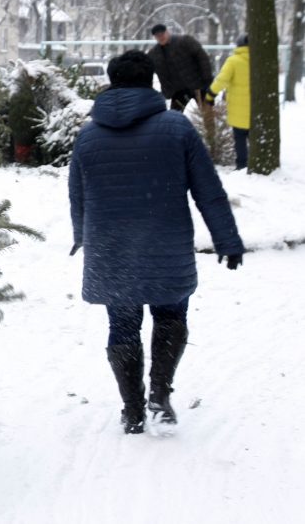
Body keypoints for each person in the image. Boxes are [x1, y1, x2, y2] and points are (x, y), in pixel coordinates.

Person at [68, 50, 244, 435]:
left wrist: (82, 237)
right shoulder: (176, 128)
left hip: (112, 249)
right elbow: (208, 191)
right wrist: (227, 240)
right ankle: (160, 393)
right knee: (170, 316)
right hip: (166, 245)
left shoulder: (88, 136)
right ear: (152, 83)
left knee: (123, 326)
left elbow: (78, 195)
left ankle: (132, 409)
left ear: (111, 83)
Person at [206, 34, 251, 170]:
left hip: (239, 110)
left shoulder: (234, 61)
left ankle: (242, 165)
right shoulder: (260, 60)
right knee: (255, 138)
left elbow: (221, 80)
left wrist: (210, 95)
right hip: (257, 110)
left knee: (240, 139)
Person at [147, 23, 213, 112]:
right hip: (178, 91)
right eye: (157, 36)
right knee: (174, 116)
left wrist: (207, 79)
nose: (160, 37)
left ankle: (210, 126)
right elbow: (147, 70)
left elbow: (203, 58)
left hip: (199, 85)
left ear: (167, 32)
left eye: (162, 34)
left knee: (207, 114)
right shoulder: (154, 54)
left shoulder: (185, 41)